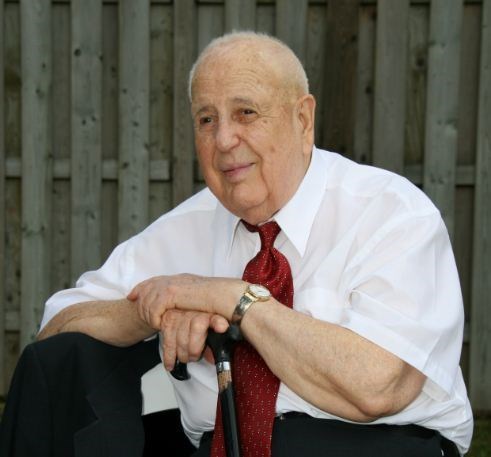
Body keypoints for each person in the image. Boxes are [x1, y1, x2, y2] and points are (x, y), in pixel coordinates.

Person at [0, 31, 472, 457]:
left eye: (246, 112)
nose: (224, 139)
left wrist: (232, 299)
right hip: (220, 445)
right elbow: (56, 331)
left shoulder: (390, 213)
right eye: (206, 119)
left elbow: (380, 386)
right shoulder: (187, 226)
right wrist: (153, 308)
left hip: (376, 445)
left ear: (303, 119)